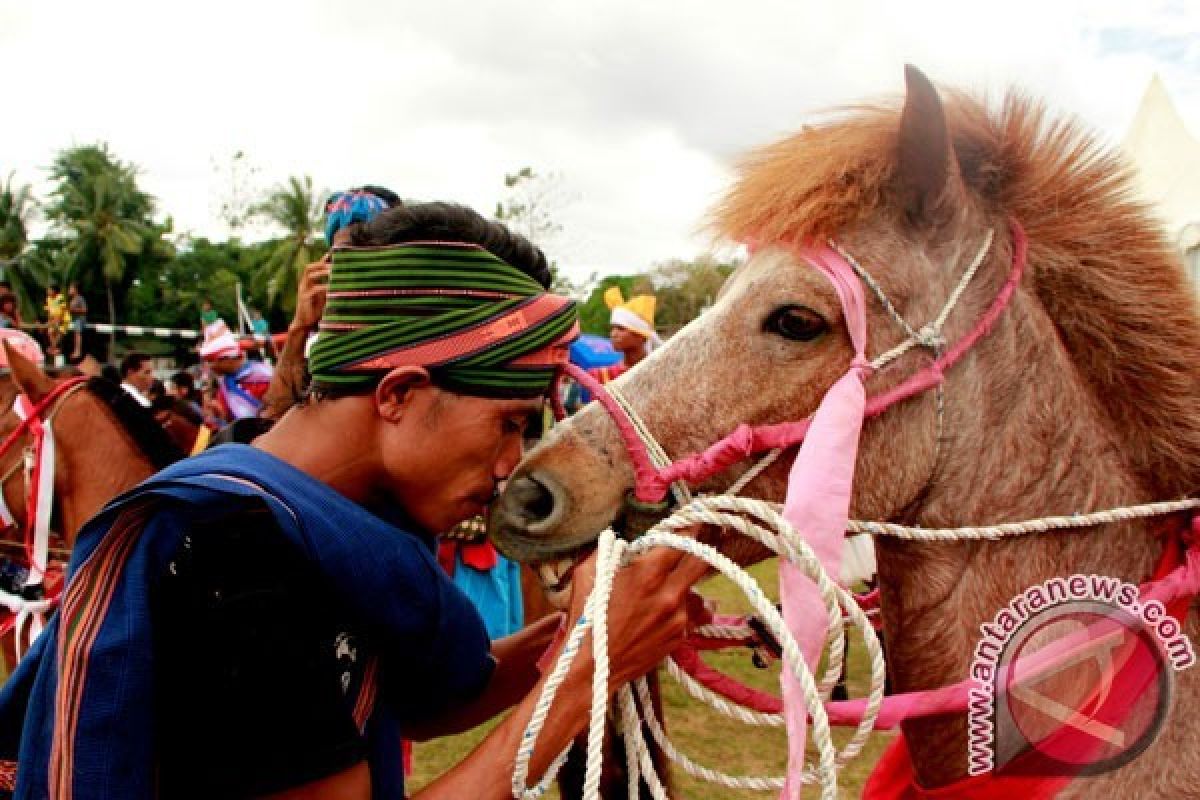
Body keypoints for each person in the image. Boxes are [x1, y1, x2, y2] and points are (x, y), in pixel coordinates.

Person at [0, 202, 706, 800]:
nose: (507, 466)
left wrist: (605, 630)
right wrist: (590, 671)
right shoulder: (234, 553)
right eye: (510, 423)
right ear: (398, 392)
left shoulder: (312, 521)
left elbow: (430, 707)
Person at [261, 185, 401, 420]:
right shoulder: (322, 346)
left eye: (366, 253)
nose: (352, 269)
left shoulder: (428, 326)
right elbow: (275, 416)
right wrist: (299, 328)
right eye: (341, 256)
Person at [200, 331, 273, 421]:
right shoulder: (225, 385)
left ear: (227, 358)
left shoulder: (263, 376)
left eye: (211, 361)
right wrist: (217, 412)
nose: (209, 367)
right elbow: (227, 419)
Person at [42, 285, 70, 360]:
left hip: (63, 318)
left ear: (54, 291)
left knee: (60, 332)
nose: (48, 292)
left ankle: (53, 348)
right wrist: (49, 320)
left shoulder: (60, 297)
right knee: (50, 332)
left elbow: (63, 309)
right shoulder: (48, 299)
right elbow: (49, 311)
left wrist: (59, 320)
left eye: (49, 290)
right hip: (53, 319)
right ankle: (54, 348)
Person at [67, 282, 87, 362]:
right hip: (74, 320)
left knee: (77, 334)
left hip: (79, 319)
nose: (69, 290)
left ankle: (78, 351)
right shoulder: (72, 299)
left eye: (71, 288)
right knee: (75, 334)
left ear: (75, 290)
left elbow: (85, 310)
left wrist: (74, 310)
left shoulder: (80, 298)